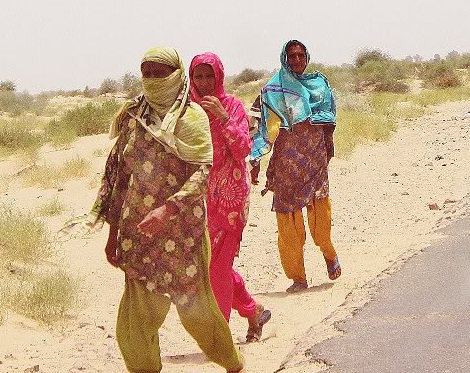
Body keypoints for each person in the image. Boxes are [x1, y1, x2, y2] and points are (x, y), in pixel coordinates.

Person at [82, 47, 245, 373]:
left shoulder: (193, 117)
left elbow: (202, 174)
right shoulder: (132, 118)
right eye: (148, 73)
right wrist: (113, 233)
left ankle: (233, 363)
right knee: (134, 324)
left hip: (183, 237)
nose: (155, 80)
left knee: (197, 314)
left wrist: (167, 212)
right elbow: (119, 178)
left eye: (162, 73)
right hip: (138, 235)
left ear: (176, 73)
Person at [189, 52, 272, 343]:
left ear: (219, 76)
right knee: (206, 268)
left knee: (218, 268)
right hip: (198, 200)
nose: (204, 82)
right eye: (198, 76)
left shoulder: (232, 106)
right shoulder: (187, 110)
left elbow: (242, 149)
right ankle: (253, 310)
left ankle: (219, 337)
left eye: (209, 75)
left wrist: (223, 119)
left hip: (231, 199)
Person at [249, 39, 341, 294]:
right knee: (288, 219)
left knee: (320, 211)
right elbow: (260, 123)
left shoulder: (319, 83)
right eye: (292, 56)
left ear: (307, 57)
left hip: (314, 157)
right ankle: (297, 277)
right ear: (284, 58)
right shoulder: (274, 88)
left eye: (301, 55)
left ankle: (328, 252)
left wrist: (328, 151)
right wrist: (255, 159)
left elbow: (330, 121)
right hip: (287, 161)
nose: (298, 60)